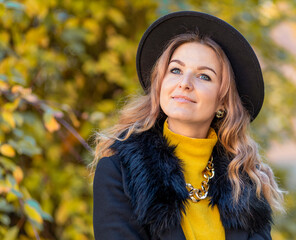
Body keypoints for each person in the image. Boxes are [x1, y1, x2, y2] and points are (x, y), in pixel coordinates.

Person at [90, 11, 284, 240]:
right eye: (175, 70)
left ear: (222, 101)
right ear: (160, 83)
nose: (184, 83)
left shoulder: (245, 182)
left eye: (204, 76)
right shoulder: (118, 171)